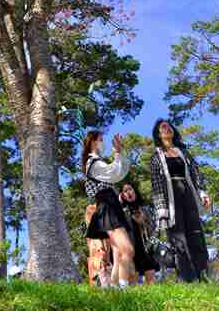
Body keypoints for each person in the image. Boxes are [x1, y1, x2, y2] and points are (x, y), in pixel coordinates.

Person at [149, 119, 210, 283]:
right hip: (171, 199)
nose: (166, 128)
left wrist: (202, 193)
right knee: (178, 238)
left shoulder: (183, 151)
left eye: (169, 126)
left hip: (188, 193)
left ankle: (203, 274)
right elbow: (156, 185)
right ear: (158, 134)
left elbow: (196, 173)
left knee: (195, 232)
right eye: (163, 127)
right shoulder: (156, 157)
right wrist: (161, 210)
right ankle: (187, 278)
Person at [82, 130, 137, 288]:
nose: (103, 142)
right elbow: (114, 173)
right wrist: (118, 154)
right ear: (92, 142)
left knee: (119, 253)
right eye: (100, 139)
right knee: (127, 250)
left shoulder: (98, 161)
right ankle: (124, 289)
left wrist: (118, 153)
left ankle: (114, 287)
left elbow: (118, 172)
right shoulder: (93, 163)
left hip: (112, 205)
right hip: (107, 206)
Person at [119, 182, 159, 285]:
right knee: (133, 281)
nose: (128, 192)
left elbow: (154, 228)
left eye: (130, 189)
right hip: (132, 249)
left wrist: (143, 222)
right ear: (122, 195)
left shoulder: (145, 209)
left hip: (146, 248)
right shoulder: (122, 211)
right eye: (125, 191)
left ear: (135, 191)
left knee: (151, 279)